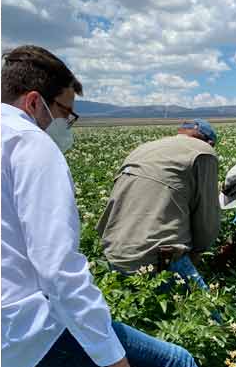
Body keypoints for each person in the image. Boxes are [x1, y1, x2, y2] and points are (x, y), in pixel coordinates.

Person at [0, 45, 214, 367]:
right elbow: (57, 269)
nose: (69, 122)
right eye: (66, 111)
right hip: (32, 332)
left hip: (6, 343)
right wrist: (117, 363)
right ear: (34, 103)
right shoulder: (32, 146)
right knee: (177, 362)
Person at [95, 118, 221, 291]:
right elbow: (206, 217)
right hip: (159, 257)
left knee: (139, 313)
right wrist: (199, 250)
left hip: (113, 251)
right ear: (210, 142)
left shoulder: (143, 149)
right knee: (207, 314)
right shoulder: (204, 152)